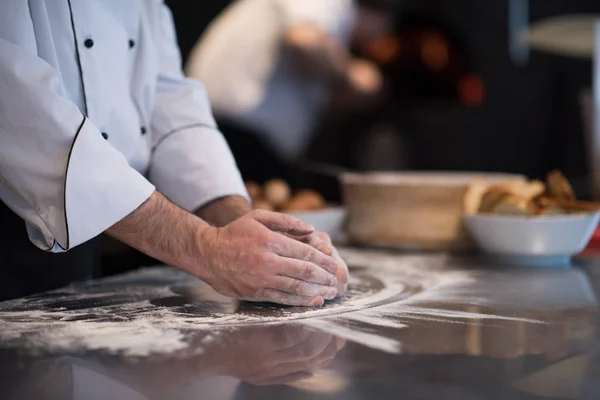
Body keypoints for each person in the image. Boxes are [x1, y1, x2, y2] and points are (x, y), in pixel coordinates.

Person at [0, 2, 348, 305]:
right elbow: (17, 112)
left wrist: (239, 223)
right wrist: (206, 248)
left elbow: (168, 101)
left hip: (89, 233)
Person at [186, 0, 393, 184]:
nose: (374, 43)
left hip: (231, 136)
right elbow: (304, 42)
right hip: (235, 138)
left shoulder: (332, 29)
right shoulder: (334, 5)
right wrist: (352, 73)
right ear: (380, 17)